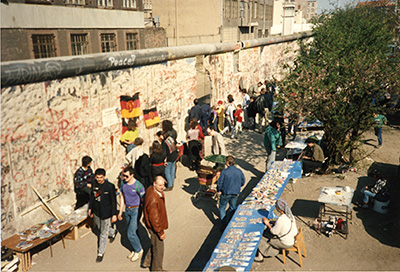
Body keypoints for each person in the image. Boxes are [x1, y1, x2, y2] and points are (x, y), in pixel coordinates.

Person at [88, 168, 117, 263]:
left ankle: (101, 253)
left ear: (104, 177)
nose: (99, 179)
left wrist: (114, 214)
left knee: (103, 234)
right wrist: (90, 209)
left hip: (106, 213)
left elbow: (113, 201)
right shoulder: (94, 184)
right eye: (97, 177)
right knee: (100, 228)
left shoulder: (110, 186)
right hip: (97, 212)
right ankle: (112, 232)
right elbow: (92, 197)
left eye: (101, 177)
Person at [118, 166, 145, 262]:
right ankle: (134, 248)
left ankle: (139, 250)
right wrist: (120, 212)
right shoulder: (123, 184)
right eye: (123, 176)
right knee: (133, 231)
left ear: (132, 175)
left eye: (126, 176)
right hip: (127, 210)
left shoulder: (138, 186)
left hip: (136, 210)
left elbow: (144, 200)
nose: (124, 178)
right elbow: (122, 198)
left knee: (130, 233)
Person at [142, 176, 169, 271]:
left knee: (154, 243)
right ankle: (157, 269)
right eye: (160, 185)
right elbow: (154, 220)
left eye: (163, 185)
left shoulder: (151, 189)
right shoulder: (153, 199)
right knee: (159, 248)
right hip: (155, 226)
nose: (162, 187)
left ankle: (147, 261)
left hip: (151, 224)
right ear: (154, 184)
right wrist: (160, 232)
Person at [217, 156, 245, 225]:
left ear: (227, 162)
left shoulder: (224, 172)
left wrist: (219, 190)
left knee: (222, 208)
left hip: (225, 193)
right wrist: (237, 186)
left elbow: (220, 183)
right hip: (235, 193)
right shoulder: (239, 171)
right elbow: (243, 182)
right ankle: (230, 222)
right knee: (232, 208)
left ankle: (223, 223)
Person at [161, 120, 178, 191]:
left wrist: (163, 159)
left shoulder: (164, 142)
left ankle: (170, 185)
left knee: (167, 170)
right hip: (174, 154)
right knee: (172, 169)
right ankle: (172, 182)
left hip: (169, 157)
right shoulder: (171, 137)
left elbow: (164, 152)